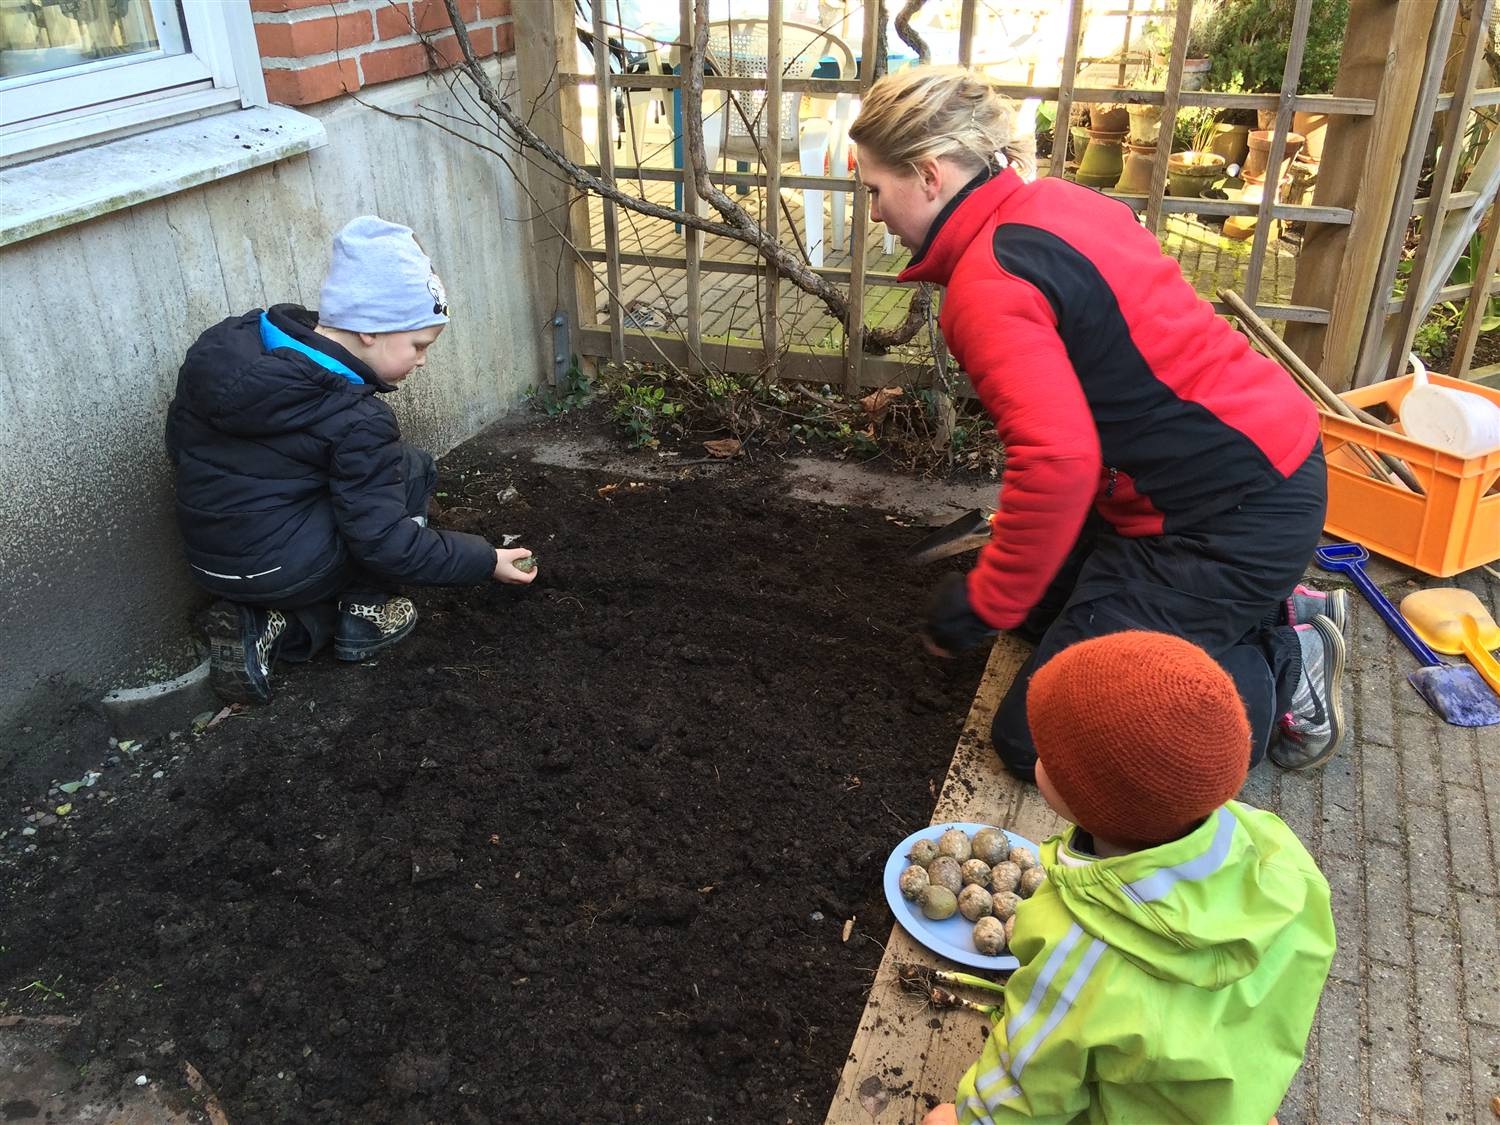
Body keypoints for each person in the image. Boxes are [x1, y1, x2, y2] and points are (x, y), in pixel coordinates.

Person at [846, 67, 1350, 774]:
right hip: (1222, 478)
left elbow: (1058, 463)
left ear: (929, 175)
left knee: (1044, 739)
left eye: (874, 191)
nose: (873, 214)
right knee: (1031, 607)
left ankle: (1281, 660)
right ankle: (1262, 605)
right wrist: (1005, 594)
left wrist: (986, 596)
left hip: (1226, 519)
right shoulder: (1054, 202)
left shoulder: (989, 287)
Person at [922, 631, 1335, 1125]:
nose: (1037, 750)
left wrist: (973, 1117)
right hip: (1227, 1096)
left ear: (1087, 801)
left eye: (1048, 751)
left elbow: (1027, 1086)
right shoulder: (1276, 851)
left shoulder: (1082, 952)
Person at [166, 215, 537, 704]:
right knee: (411, 470)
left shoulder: (230, 351)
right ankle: (359, 616)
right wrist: (484, 559)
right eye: (418, 345)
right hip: (285, 569)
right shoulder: (360, 420)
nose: (423, 360)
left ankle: (255, 618)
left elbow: (181, 452)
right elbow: (384, 543)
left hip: (209, 558)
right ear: (370, 330)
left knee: (353, 487)